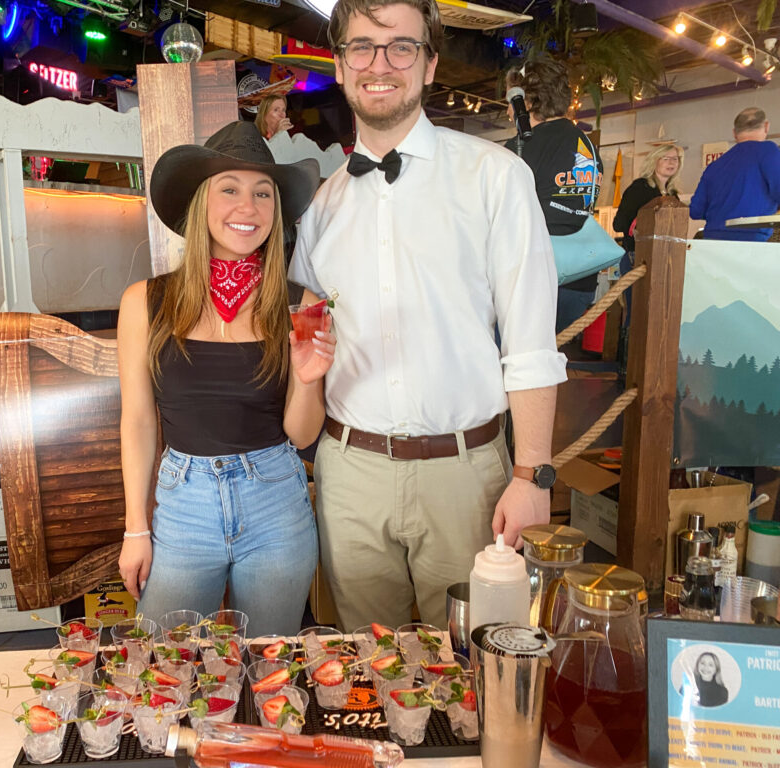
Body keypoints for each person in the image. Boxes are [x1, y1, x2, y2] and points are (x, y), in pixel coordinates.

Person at [288, 0, 566, 631]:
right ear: (339, 63)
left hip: (465, 476)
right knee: (361, 672)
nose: (379, 64)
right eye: (361, 46)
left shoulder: (496, 178)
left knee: (473, 666)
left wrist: (534, 475)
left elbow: (529, 341)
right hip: (350, 473)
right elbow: (311, 340)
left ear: (431, 63)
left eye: (401, 47)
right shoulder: (322, 208)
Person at [116, 121, 334, 637]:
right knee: (166, 670)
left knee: (269, 671)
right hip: (184, 505)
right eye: (230, 189)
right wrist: (135, 528)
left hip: (277, 500)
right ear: (200, 203)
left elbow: (302, 436)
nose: (249, 206)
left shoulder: (302, 305)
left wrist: (307, 379)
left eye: (263, 193)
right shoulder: (144, 302)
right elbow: (139, 421)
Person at [504, 60, 605, 333]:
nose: (508, 112)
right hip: (579, 280)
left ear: (525, 101)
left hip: (531, 281)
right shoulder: (589, 148)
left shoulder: (521, 147)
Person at [613, 143, 683, 328]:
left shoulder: (674, 195)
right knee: (637, 315)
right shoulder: (640, 188)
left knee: (658, 315)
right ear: (654, 161)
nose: (671, 162)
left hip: (665, 258)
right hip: (638, 257)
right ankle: (629, 356)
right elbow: (619, 223)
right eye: (665, 158)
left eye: (675, 159)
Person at [690, 107, 780, 241]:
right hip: (751, 240)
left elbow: (695, 211)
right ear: (766, 126)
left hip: (712, 240)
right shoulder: (769, 151)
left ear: (734, 133)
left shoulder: (715, 166)